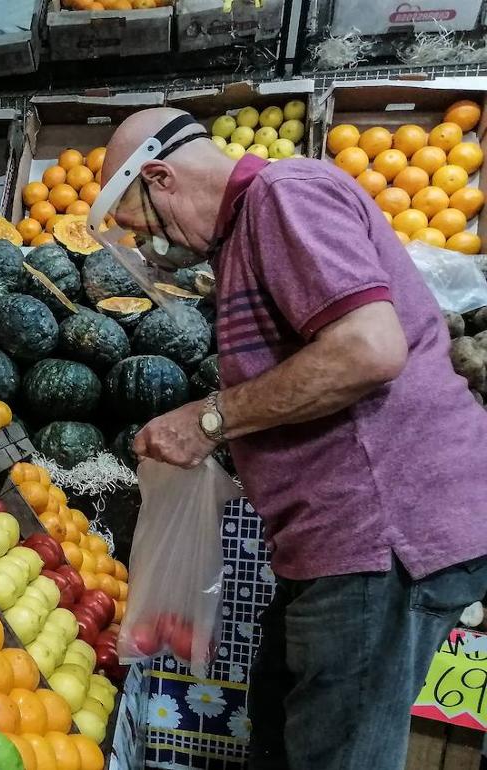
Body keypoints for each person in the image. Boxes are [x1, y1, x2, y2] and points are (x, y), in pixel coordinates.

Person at [90, 107, 487, 769]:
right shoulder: (248, 232)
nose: (157, 252)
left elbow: (368, 348)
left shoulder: (284, 196)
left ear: (161, 178)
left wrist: (210, 419)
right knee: (286, 733)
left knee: (336, 755)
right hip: (346, 540)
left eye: (143, 230)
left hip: (382, 536)